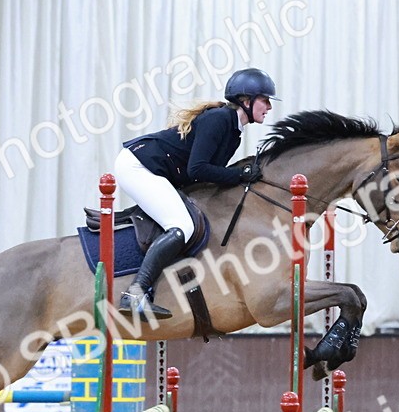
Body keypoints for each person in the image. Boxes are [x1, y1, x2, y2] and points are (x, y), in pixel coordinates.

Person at [113, 67, 277, 319]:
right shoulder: (220, 119)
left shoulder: (234, 131)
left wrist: (239, 175)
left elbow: (208, 173)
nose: (269, 107)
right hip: (138, 166)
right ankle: (135, 292)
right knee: (181, 226)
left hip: (155, 168)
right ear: (246, 101)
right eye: (265, 100)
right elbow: (198, 169)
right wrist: (240, 175)